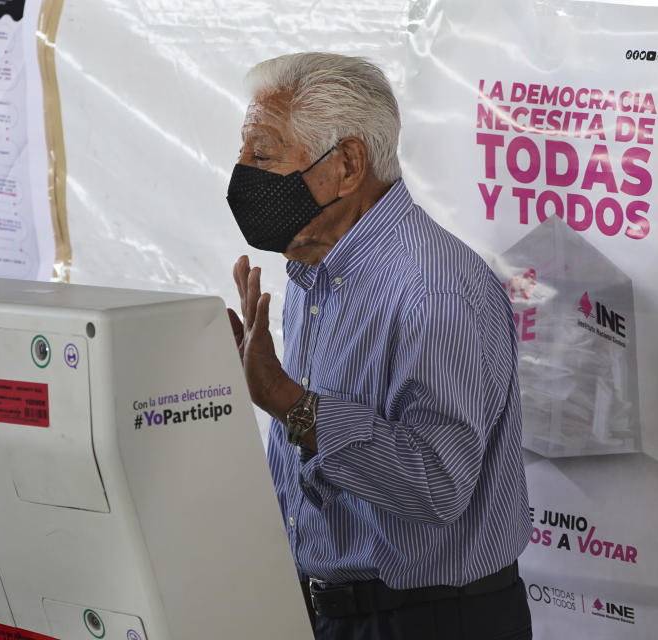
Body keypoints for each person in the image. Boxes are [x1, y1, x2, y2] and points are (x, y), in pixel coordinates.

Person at [224, 52, 532, 640]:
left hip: (433, 621)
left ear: (347, 163)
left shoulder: (434, 286)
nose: (241, 174)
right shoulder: (314, 272)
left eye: (262, 154)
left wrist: (289, 402)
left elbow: (437, 482)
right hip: (329, 612)